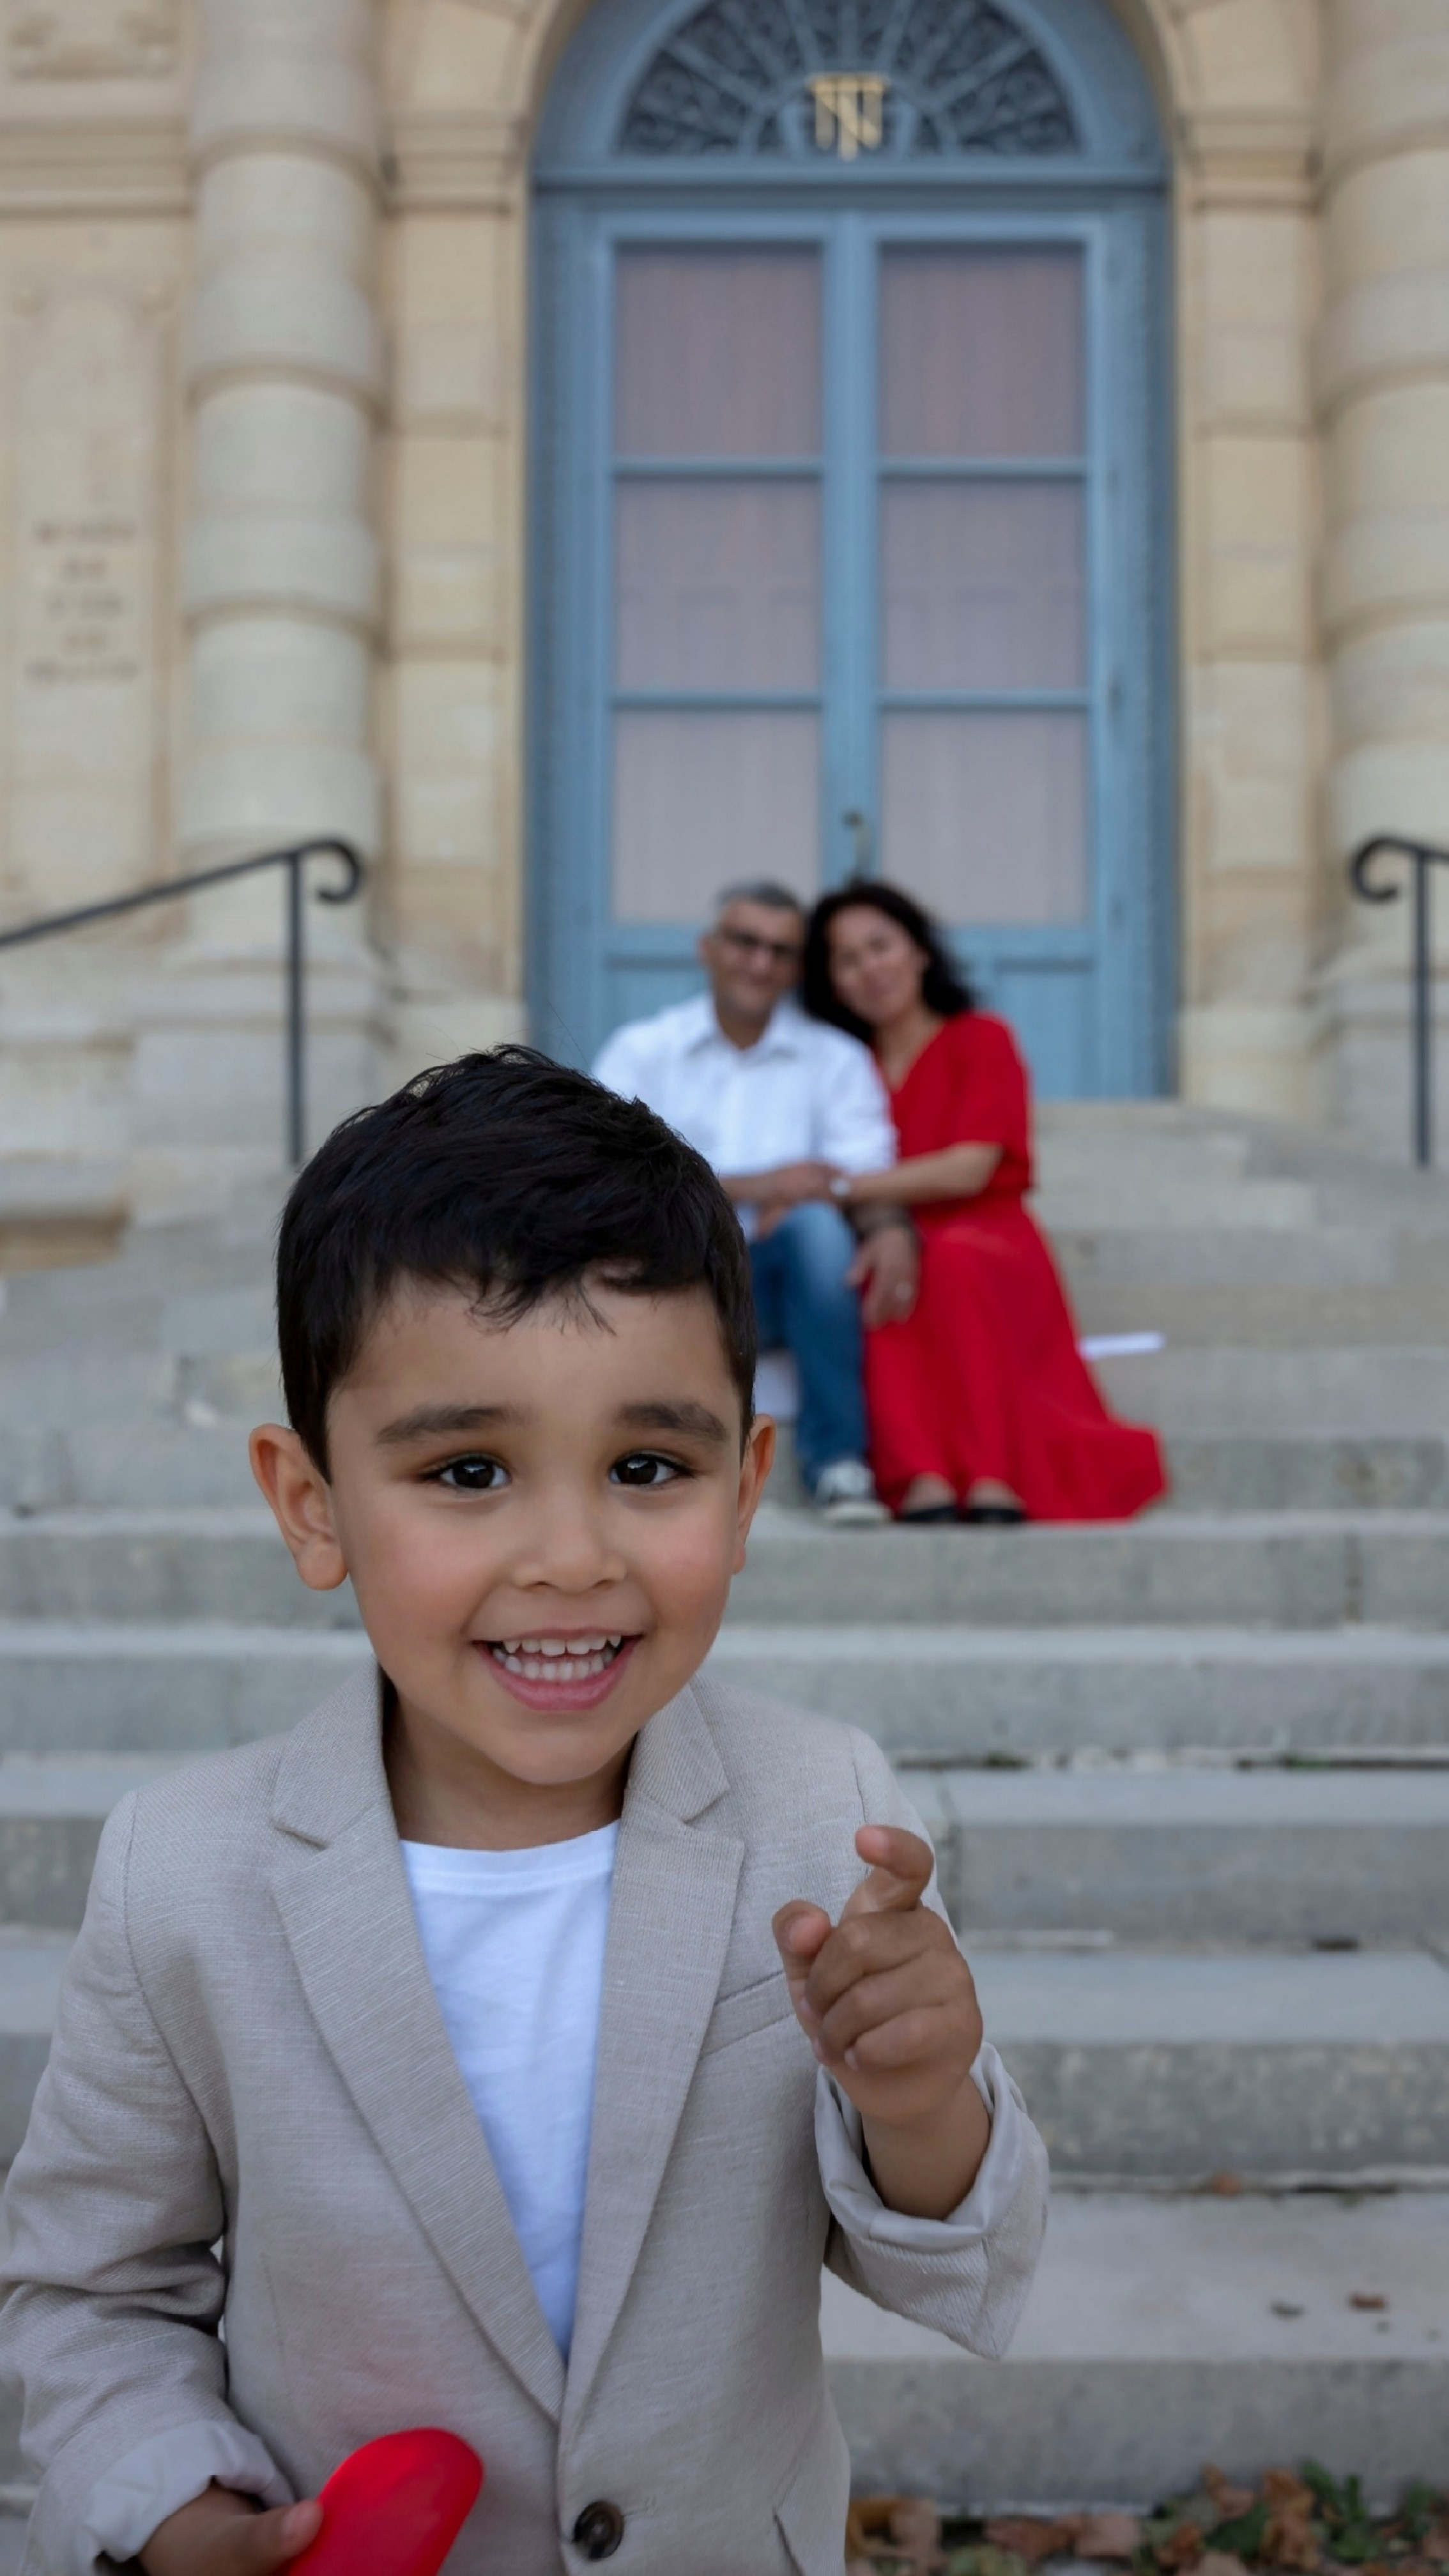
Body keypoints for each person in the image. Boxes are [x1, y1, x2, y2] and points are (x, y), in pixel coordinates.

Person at [0, 1050, 1048, 2576]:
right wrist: (178, 2510)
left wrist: (923, 2101)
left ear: (747, 1489)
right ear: (312, 1505)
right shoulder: (185, 1870)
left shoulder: (829, 1813)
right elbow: (90, 2293)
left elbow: (958, 2260)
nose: (570, 1555)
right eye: (469, 1468)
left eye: (646, 1465)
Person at [802, 884, 1168, 1526]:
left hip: (989, 1232)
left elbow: (971, 1168)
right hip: (892, 1229)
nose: (870, 970)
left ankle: (994, 1470)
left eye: (880, 946)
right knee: (882, 1265)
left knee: (950, 1260)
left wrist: (837, 1188)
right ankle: (921, 1472)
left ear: (918, 951)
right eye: (847, 959)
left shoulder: (981, 1039)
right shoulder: (838, 1065)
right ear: (832, 982)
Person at [593, 881, 915, 1526]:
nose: (760, 963)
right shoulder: (643, 1051)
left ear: (797, 968)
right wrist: (759, 1186)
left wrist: (894, 1228)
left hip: (775, 1283)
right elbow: (596, 1175)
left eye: (780, 950)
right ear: (708, 948)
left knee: (820, 1229)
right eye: (745, 943)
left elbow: (865, 1173)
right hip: (666, 1276)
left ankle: (838, 1464)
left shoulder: (836, 1060)